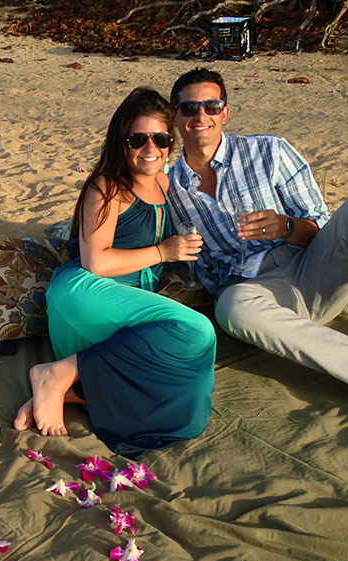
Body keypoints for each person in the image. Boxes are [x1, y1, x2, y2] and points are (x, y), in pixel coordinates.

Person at [165, 68, 348, 423]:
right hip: (256, 294)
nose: (200, 116)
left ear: (225, 113)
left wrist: (285, 226)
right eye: (189, 108)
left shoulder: (269, 151)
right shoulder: (169, 185)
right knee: (232, 307)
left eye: (211, 106)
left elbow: (321, 227)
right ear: (174, 116)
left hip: (312, 268)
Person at [13, 87, 217, 457]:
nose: (150, 149)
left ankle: (72, 392)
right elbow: (96, 263)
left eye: (160, 139)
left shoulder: (164, 183)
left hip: (124, 316)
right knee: (197, 330)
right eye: (138, 139)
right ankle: (55, 374)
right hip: (85, 295)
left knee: (192, 407)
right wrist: (164, 251)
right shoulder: (107, 187)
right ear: (121, 142)